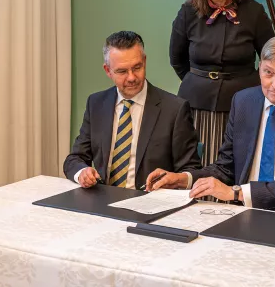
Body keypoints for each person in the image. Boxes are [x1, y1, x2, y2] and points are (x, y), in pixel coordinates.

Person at [150, 34, 275, 218]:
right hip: (245, 212)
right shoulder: (243, 102)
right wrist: (184, 179)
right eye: (268, 73)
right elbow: (226, 167)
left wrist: (236, 193)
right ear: (259, 69)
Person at [169, 0, 275, 166]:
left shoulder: (254, 11)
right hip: (196, 103)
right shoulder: (188, 11)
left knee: (233, 166)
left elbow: (270, 60)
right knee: (197, 166)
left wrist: (251, 90)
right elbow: (177, 60)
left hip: (242, 103)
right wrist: (200, 81)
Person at [63, 31, 201, 189]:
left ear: (145, 61)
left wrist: (175, 179)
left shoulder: (174, 109)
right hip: (102, 201)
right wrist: (82, 172)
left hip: (150, 203)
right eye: (122, 71)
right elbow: (75, 159)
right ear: (108, 70)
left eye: (137, 67)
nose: (131, 77)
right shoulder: (96, 104)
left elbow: (191, 170)